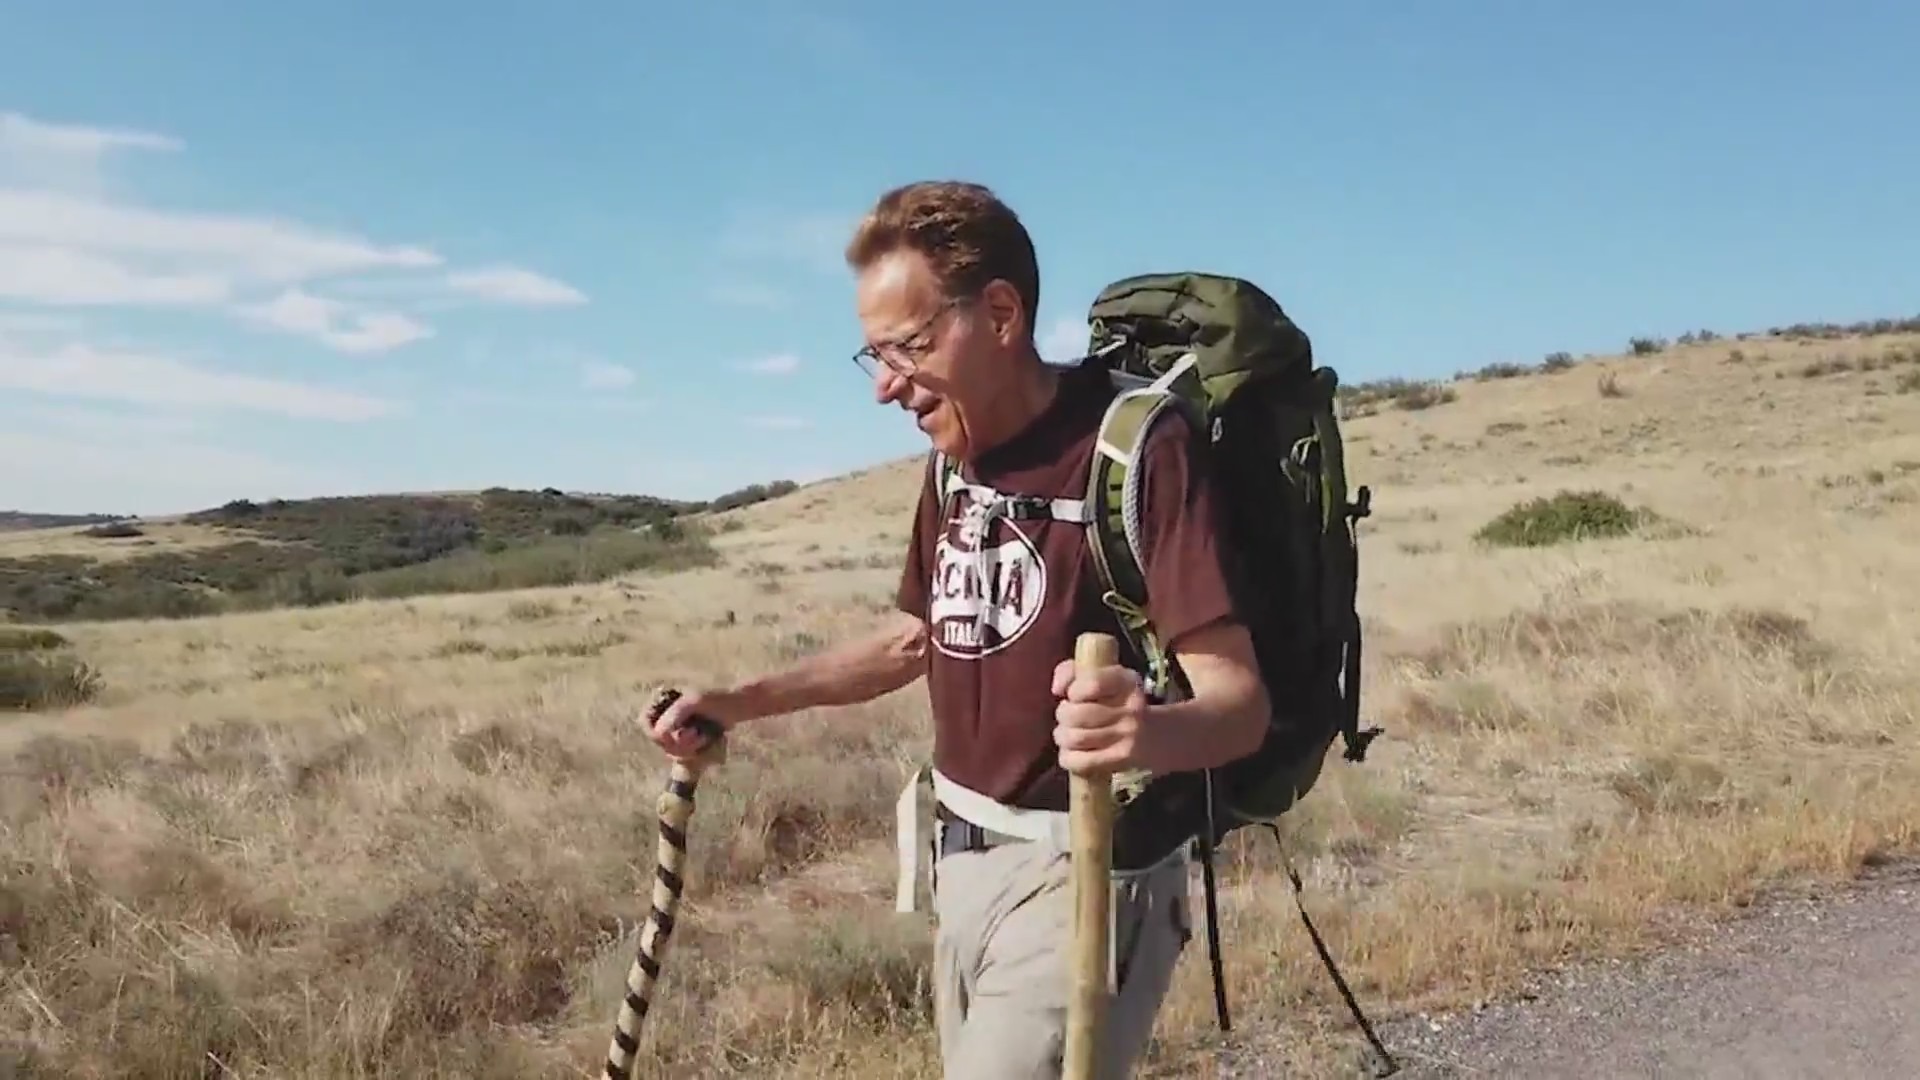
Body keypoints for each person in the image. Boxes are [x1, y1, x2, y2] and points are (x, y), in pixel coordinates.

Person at [646, 180, 1270, 1079]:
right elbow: (914, 638)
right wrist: (737, 702)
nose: (888, 387)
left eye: (909, 347)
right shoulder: (955, 466)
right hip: (961, 866)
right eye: (874, 357)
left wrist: (1148, 729)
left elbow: (1239, 707)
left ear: (1003, 314)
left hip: (1086, 874)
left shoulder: (1136, 448)